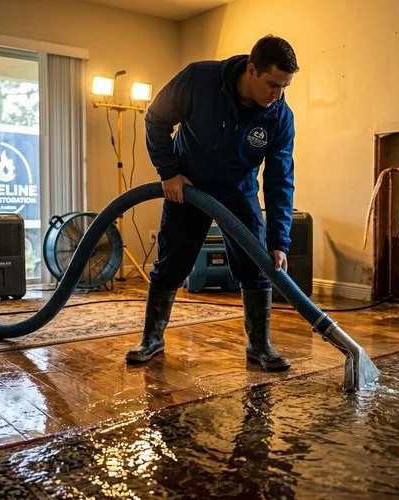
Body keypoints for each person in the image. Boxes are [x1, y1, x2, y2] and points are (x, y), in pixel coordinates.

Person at [125, 35, 298, 372]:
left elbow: (280, 179)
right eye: (272, 84)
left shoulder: (279, 116)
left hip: (239, 192)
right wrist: (169, 173)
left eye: (284, 86)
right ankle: (152, 338)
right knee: (172, 264)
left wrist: (279, 242)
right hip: (187, 186)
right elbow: (156, 119)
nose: (277, 95)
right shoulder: (199, 80)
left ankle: (259, 345)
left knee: (258, 267)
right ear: (251, 69)